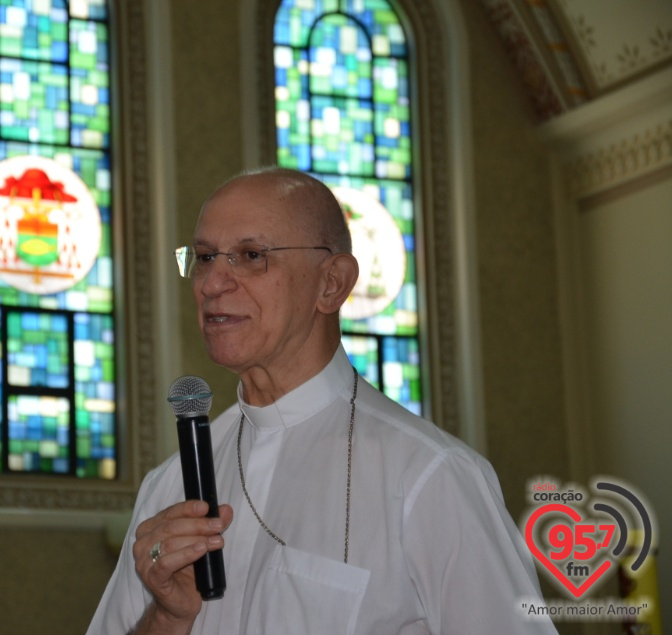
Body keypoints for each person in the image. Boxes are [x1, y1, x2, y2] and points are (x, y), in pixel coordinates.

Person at [87, 168, 556, 634]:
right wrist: (166, 618)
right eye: (205, 256)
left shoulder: (429, 477)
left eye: (251, 255)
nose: (212, 283)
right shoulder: (168, 487)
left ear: (331, 283)